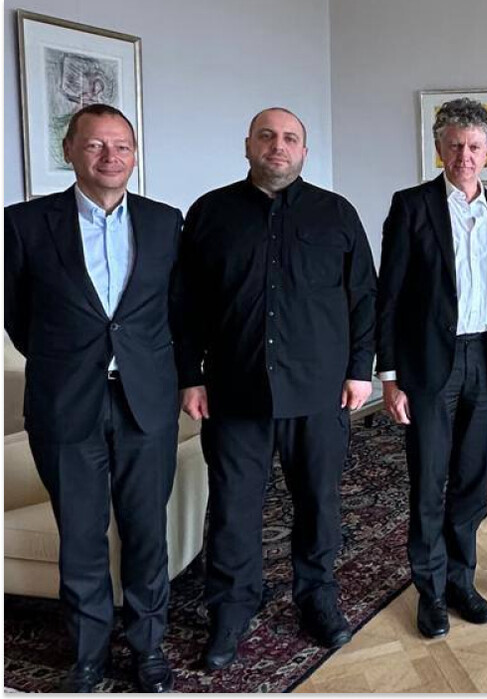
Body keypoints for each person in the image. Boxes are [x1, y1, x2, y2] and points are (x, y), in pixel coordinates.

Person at [176, 107, 377, 670]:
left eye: (290, 138)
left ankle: (317, 598)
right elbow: (185, 304)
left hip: (319, 392)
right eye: (267, 136)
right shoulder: (210, 213)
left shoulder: (337, 214)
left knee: (318, 501)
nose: (278, 146)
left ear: (304, 152)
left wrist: (360, 370)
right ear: (248, 145)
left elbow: (364, 296)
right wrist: (189, 375)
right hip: (233, 390)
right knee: (233, 507)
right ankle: (231, 608)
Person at [4, 104, 181, 692]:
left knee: (146, 531)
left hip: (144, 401)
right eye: (96, 145)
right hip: (65, 403)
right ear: (70, 151)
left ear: (135, 154)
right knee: (80, 535)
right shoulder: (24, 224)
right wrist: (69, 362)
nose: (111, 157)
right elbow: (18, 318)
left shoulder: (164, 222)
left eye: (122, 146)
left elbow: (175, 311)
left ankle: (149, 647)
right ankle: (88, 655)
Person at [375, 98, 487, 639]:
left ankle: (462, 581)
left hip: (486, 359)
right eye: (456, 145)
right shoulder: (411, 206)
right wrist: (390, 377)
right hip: (429, 365)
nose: (465, 156)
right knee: (429, 479)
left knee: (472, 480)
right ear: (439, 148)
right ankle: (430, 591)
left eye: (475, 146)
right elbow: (389, 295)